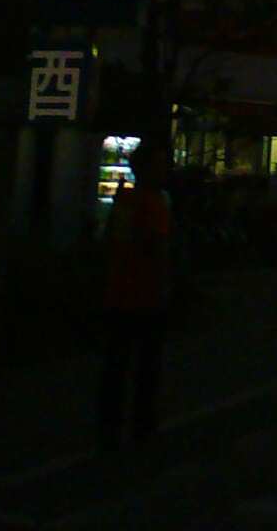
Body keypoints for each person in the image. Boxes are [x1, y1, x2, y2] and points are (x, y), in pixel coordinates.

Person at [97, 139, 175, 447]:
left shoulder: (124, 202)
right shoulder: (155, 204)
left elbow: (109, 243)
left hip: (118, 294)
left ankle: (109, 430)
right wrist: (166, 286)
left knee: (116, 367)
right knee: (145, 369)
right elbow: (159, 250)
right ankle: (142, 432)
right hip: (145, 296)